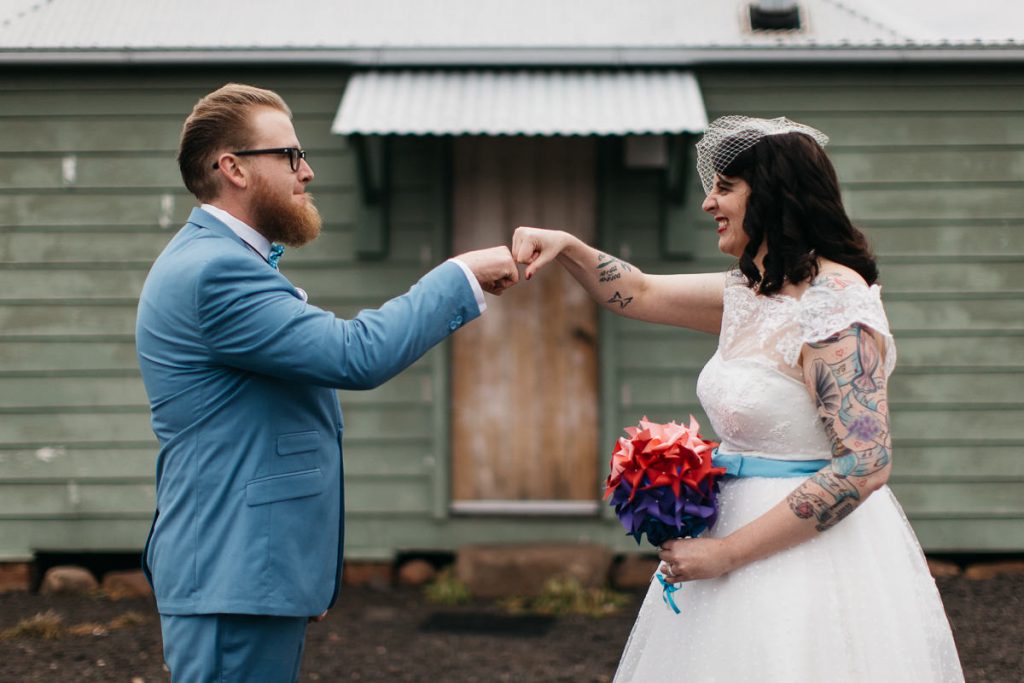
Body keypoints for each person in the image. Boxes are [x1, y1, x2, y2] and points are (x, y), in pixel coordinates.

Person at [512, 116, 964, 682]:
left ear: (774, 193)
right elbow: (640, 292)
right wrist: (569, 246)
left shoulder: (834, 305)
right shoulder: (752, 292)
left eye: (725, 187)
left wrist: (728, 555)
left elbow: (864, 464)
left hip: (806, 559)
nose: (708, 203)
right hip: (723, 538)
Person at [135, 83, 518, 682]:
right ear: (232, 167)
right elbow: (354, 355)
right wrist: (459, 274)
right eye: (289, 155)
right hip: (232, 573)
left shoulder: (220, 261)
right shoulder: (216, 272)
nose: (306, 172)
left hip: (250, 572)